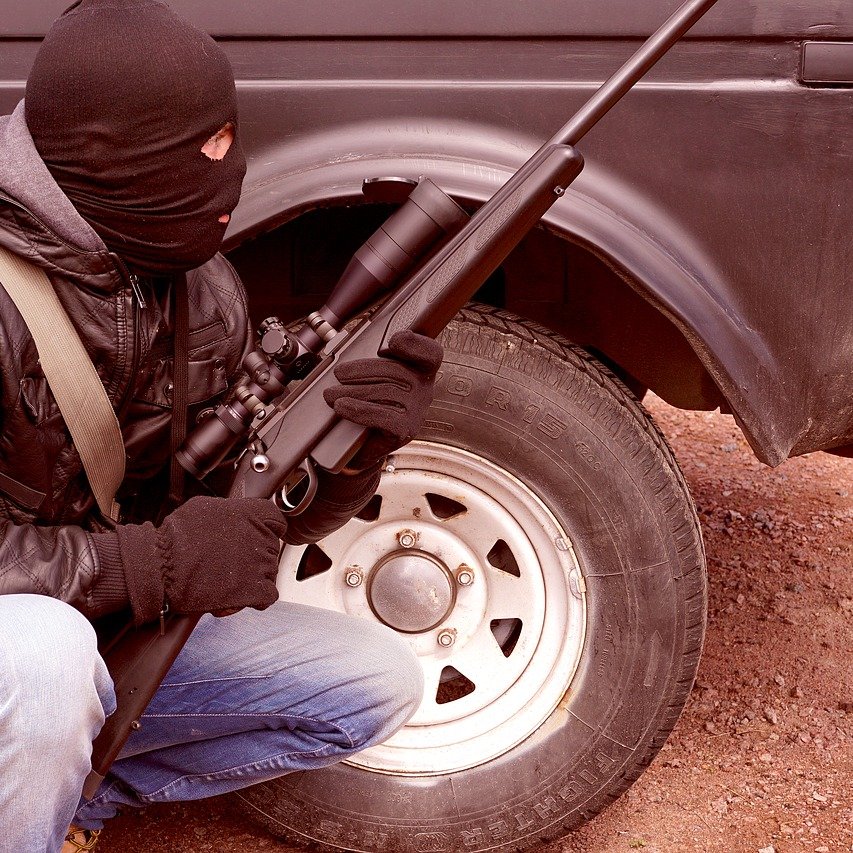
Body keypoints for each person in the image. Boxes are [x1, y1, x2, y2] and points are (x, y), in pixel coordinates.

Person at [0, 1, 442, 850]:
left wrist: (350, 451)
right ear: (110, 161)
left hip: (93, 616)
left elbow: (241, 510)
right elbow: (154, 562)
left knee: (372, 682)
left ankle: (56, 804)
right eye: (201, 153)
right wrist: (143, 563)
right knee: (42, 659)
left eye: (229, 142)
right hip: (31, 635)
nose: (229, 176)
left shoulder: (196, 282)